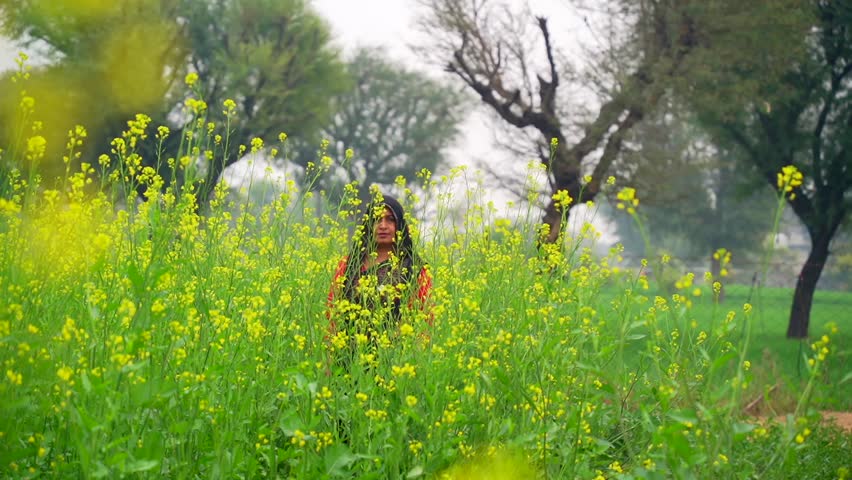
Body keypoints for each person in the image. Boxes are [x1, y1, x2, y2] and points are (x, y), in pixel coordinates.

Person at [326, 194, 432, 348]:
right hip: (348, 358)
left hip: (395, 359)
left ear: (400, 225)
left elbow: (425, 320)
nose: (383, 226)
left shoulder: (414, 269)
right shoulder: (348, 265)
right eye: (376, 219)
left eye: (390, 219)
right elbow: (332, 315)